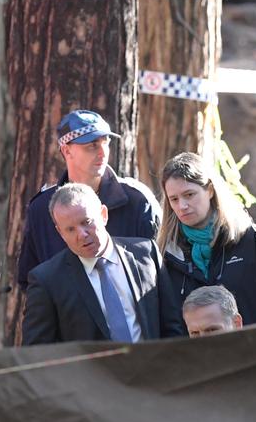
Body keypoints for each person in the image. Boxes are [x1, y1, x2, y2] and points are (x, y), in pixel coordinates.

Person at [21, 183, 184, 345]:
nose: (82, 234)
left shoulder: (146, 254)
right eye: (70, 229)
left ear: (103, 214)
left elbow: (172, 326)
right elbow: (37, 351)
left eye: (86, 222)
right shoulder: (47, 280)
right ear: (60, 232)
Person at [157, 152, 256, 326]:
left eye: (189, 194)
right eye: (174, 199)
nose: (182, 206)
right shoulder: (166, 256)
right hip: (199, 354)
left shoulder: (251, 239)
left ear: (210, 190)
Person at [17, 110, 161, 290]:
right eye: (92, 145)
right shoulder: (41, 209)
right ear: (67, 151)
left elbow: (161, 272)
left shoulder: (139, 201)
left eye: (105, 143)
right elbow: (31, 280)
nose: (103, 153)